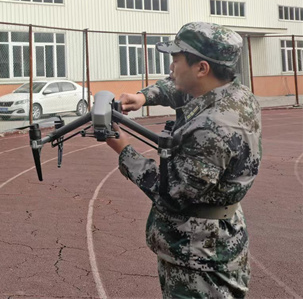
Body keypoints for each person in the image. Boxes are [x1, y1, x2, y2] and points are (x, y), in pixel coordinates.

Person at [107, 22, 262, 298]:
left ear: (202, 68)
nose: (171, 67)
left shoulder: (213, 128)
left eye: (176, 60)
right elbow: (180, 88)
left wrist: (123, 148)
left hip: (198, 257)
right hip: (216, 240)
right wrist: (143, 97)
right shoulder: (235, 94)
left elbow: (172, 193)